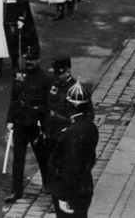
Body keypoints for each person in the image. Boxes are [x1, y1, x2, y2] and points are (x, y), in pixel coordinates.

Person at [4, 45, 51, 204]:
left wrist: (46, 125)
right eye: (27, 60)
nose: (29, 63)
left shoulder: (46, 78)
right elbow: (14, 97)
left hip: (36, 124)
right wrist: (10, 119)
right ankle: (16, 191)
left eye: (33, 60)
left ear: (38, 59)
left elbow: (48, 104)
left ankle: (47, 183)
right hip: (20, 122)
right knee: (18, 158)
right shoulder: (19, 74)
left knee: (42, 156)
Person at [47, 81, 98, 217]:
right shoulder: (89, 125)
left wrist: (63, 196)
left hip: (72, 190)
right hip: (84, 183)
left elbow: (71, 166)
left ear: (70, 106)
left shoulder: (73, 132)